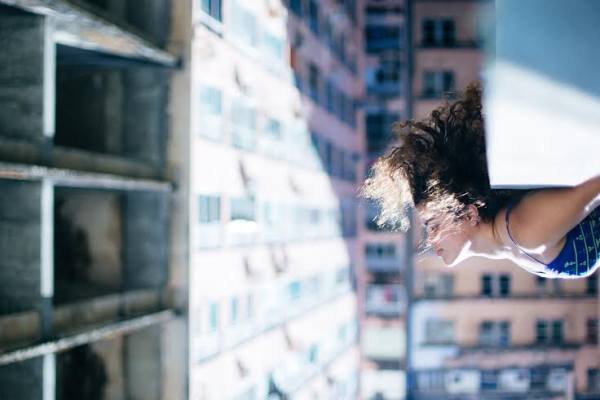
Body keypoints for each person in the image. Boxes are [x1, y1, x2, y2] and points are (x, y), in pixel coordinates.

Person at [362, 84, 600, 278]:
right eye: (432, 226)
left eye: (432, 226)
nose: (430, 238)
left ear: (470, 214)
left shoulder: (522, 229)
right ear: (470, 214)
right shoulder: (517, 235)